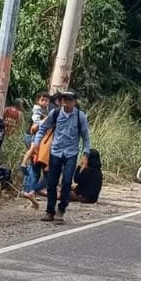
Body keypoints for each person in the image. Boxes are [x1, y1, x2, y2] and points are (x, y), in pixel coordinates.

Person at [33, 90, 91, 224]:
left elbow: (86, 137)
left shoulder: (80, 116)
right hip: (56, 152)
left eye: (69, 100)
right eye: (64, 99)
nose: (66, 102)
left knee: (66, 182)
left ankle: (61, 209)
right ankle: (50, 211)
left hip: (71, 153)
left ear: (75, 102)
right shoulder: (56, 113)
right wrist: (37, 143)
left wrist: (85, 155)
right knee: (52, 183)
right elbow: (43, 127)